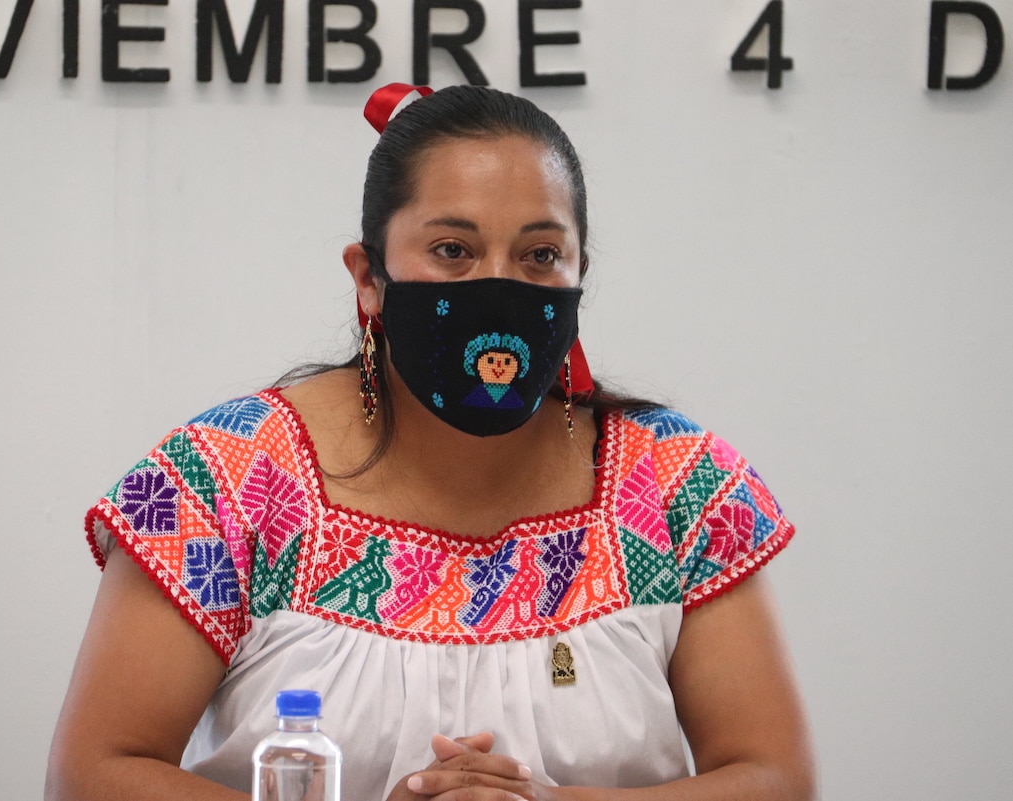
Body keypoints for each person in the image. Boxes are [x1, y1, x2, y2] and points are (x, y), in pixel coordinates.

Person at [46, 84, 816, 801]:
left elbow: (774, 776)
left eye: (539, 255)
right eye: (452, 249)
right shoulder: (224, 476)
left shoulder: (678, 480)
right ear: (368, 276)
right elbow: (93, 774)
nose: (499, 286)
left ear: (580, 272)